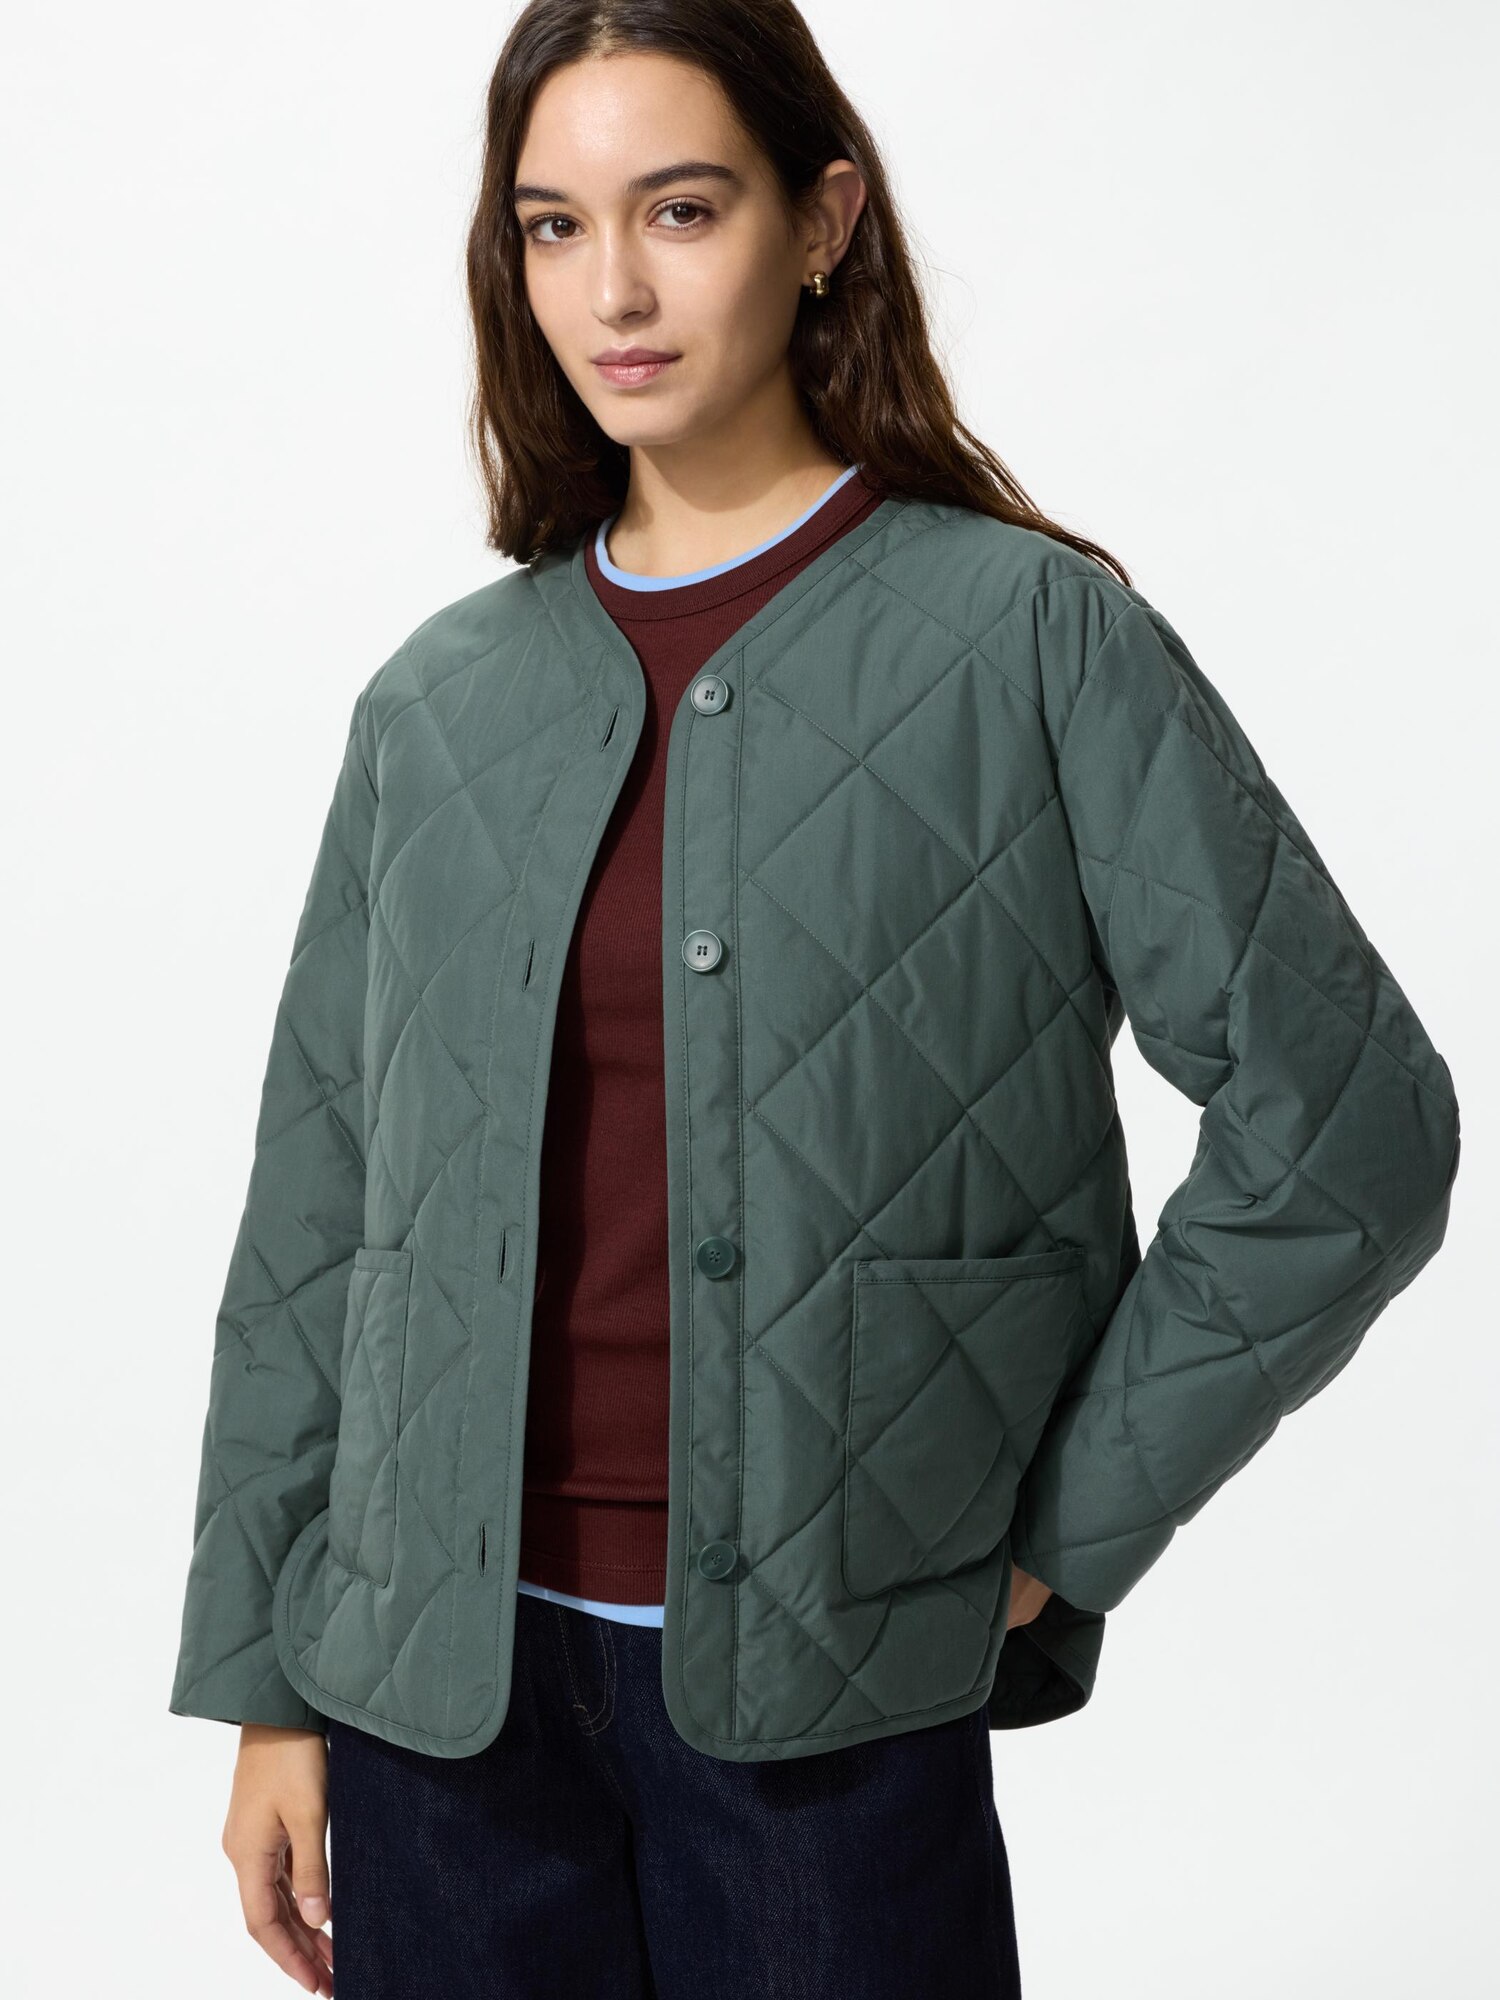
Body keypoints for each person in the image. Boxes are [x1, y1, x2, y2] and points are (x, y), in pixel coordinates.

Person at [168, 3, 1461, 1996]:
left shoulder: (1033, 638)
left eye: (681, 209)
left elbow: (1350, 1127)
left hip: (830, 1708)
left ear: (824, 218)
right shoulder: (439, 704)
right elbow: (319, 1213)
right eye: (552, 225)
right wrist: (270, 1678)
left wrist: (1063, 1529)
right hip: (433, 1710)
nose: (613, 289)